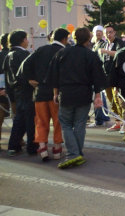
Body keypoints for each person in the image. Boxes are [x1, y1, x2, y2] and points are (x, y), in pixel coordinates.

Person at [50, 27, 107, 169]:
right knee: (80, 123)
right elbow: (98, 78)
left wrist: (55, 93)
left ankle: (73, 154)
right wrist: (98, 95)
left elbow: (54, 76)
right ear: (88, 39)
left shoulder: (62, 53)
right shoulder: (91, 55)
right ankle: (77, 153)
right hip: (84, 93)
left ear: (73, 38)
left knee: (66, 124)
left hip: (66, 93)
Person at [22, 28, 69, 161]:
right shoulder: (64, 52)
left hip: (40, 92)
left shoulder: (41, 49)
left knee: (41, 122)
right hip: (57, 93)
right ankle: (57, 149)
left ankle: (42, 148)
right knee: (58, 122)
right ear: (64, 39)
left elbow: (25, 65)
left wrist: (30, 78)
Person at [5, 30, 36, 156]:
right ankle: (32, 146)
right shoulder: (24, 54)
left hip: (16, 91)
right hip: (28, 90)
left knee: (19, 119)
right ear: (22, 40)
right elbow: (29, 72)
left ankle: (13, 145)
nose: (28, 41)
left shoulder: (9, 54)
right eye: (26, 39)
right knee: (30, 120)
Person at [98, 24, 125, 133]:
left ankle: (124, 123)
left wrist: (106, 52)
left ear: (114, 32)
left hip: (117, 76)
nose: (108, 34)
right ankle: (117, 122)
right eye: (106, 32)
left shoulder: (119, 42)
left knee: (118, 100)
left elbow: (120, 54)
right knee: (111, 100)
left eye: (110, 32)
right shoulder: (104, 44)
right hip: (106, 76)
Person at [89, 25, 109, 127]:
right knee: (100, 96)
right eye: (97, 31)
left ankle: (100, 119)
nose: (98, 33)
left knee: (99, 96)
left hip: (99, 73)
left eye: (100, 31)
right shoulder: (94, 44)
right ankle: (102, 117)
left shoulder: (103, 44)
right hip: (95, 73)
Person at [0, 33, 14, 149]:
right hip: (12, 91)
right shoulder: (12, 55)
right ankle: (17, 141)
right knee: (17, 117)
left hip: (2, 91)